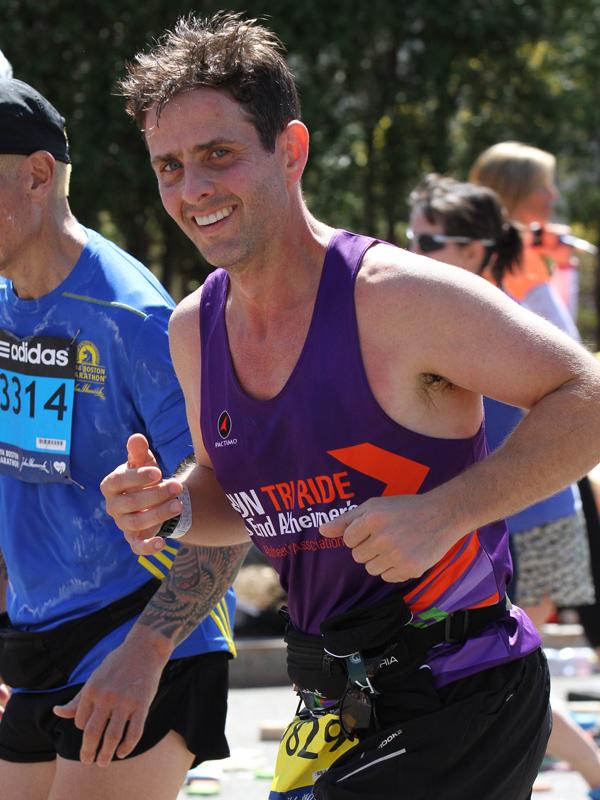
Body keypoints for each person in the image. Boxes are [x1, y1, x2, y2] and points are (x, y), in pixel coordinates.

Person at [101, 12, 600, 800]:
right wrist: (171, 508)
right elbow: (236, 498)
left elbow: (588, 395)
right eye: (169, 167)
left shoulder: (393, 298)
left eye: (218, 156)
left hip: (463, 689)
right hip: (335, 702)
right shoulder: (194, 327)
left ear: (290, 150)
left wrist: (446, 512)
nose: (192, 190)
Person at [0, 77, 249, 800]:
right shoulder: (7, 302)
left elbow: (233, 514)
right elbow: (17, 477)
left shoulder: (136, 318)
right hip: (35, 641)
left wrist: (146, 653)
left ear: (38, 177)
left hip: (140, 635)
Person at [408, 173, 600, 800]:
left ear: (472, 247)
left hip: (527, 520)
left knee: (499, 668)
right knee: (498, 667)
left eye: (427, 238)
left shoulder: (487, 313)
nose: (412, 247)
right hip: (510, 518)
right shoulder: (454, 304)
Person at [468, 140, 595, 322]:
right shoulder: (507, 258)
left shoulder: (520, 251)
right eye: (543, 186)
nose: (553, 195)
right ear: (513, 192)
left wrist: (563, 264)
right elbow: (563, 336)